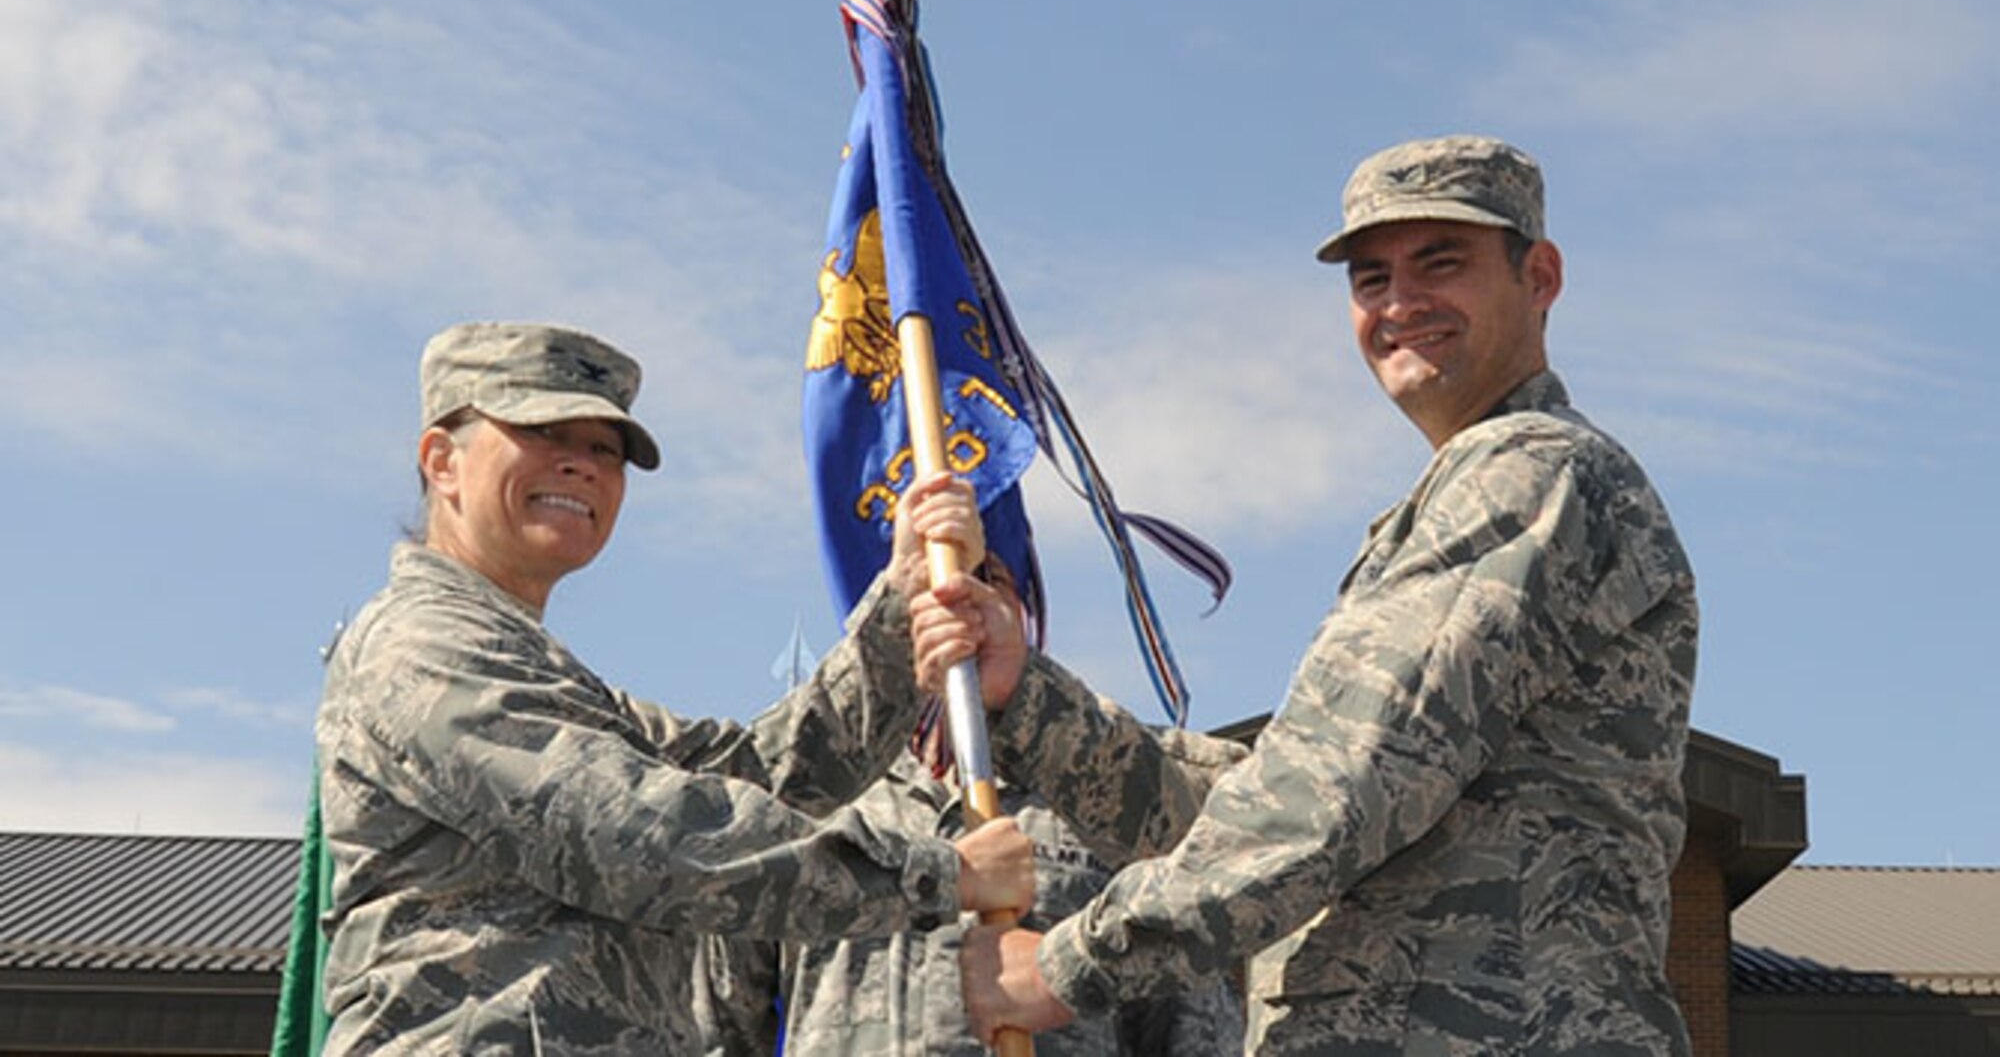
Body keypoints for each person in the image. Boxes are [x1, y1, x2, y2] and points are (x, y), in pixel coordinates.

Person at [924, 136, 1700, 1054]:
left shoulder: (1533, 473)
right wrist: (1031, 699)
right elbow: (1268, 796)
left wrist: (1062, 969)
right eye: (1372, 279)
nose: (1401, 305)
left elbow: (1338, 789)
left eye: (1440, 263)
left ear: (1540, 277)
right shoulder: (1463, 496)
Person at [314, 321, 1034, 1054]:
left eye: (606, 450)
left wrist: (901, 600)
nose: (582, 466)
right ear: (441, 460)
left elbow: (767, 775)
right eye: (546, 432)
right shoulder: (422, 646)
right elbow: (631, 829)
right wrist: (938, 875)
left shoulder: (554, 682)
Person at [694, 746, 1249, 1055]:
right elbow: (719, 1031)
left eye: (990, 576)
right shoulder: (806, 805)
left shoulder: (1114, 808)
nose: (957, 593)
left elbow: (1191, 1030)